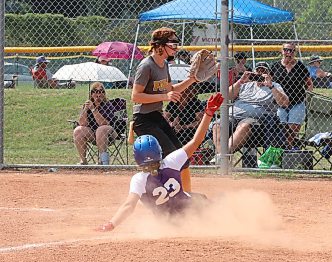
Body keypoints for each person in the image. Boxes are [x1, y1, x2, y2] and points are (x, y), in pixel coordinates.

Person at [95, 93, 223, 232]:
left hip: (169, 224)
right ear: (159, 151)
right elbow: (196, 141)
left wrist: (111, 224)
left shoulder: (139, 179)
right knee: (206, 200)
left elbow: (129, 206)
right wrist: (208, 113)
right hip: (192, 212)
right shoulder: (171, 161)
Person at [131, 27, 202, 193]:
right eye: (173, 43)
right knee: (171, 157)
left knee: (182, 156)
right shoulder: (146, 66)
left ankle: (187, 195)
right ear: (160, 46)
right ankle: (161, 193)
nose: (176, 47)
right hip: (143, 120)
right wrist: (164, 97)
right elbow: (136, 96)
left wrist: (192, 79)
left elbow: (171, 89)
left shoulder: (163, 65)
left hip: (155, 116)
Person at [212, 62, 289, 163]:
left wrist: (270, 86)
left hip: (256, 121)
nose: (260, 74)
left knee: (244, 125)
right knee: (217, 125)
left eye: (264, 71)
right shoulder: (245, 84)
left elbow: (284, 103)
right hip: (233, 116)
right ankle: (222, 158)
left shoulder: (274, 86)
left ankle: (222, 157)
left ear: (269, 74)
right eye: (258, 71)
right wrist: (240, 81)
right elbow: (225, 96)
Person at [270, 43, 312, 149]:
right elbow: (269, 83)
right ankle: (282, 152)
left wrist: (308, 97)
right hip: (280, 104)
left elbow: (309, 83)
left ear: (295, 53)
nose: (289, 53)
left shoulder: (300, 66)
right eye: (286, 50)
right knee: (280, 129)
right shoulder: (275, 66)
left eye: (292, 51)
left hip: (297, 102)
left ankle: (289, 152)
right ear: (282, 51)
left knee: (292, 130)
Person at [73, 82, 119, 165]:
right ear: (91, 94)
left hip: (109, 135)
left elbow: (104, 123)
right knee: (78, 130)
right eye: (95, 91)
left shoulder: (108, 105)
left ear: (104, 94)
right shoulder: (88, 105)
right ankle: (83, 161)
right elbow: (82, 123)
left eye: (101, 91)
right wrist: (85, 110)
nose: (98, 94)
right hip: (93, 135)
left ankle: (103, 161)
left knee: (101, 129)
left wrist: (94, 110)